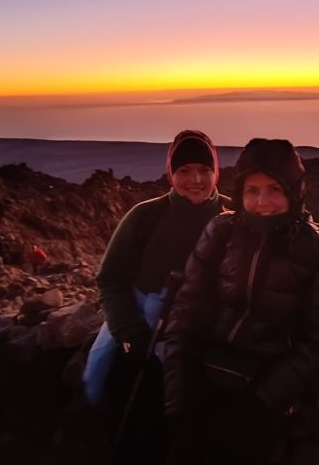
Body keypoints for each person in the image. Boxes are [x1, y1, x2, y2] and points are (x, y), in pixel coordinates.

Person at [162, 138, 319, 465]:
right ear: (240, 192)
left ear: (294, 191)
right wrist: (179, 399)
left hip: (263, 387)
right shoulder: (222, 230)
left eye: (275, 189)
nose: (263, 201)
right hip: (203, 374)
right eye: (252, 190)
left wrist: (262, 403)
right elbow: (185, 313)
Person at [92, 130, 230, 464]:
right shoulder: (145, 216)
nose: (195, 180)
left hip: (206, 335)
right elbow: (112, 281)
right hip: (147, 331)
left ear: (216, 173)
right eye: (184, 171)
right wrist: (130, 333)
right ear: (171, 173)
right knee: (112, 392)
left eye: (204, 170)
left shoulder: (233, 219)